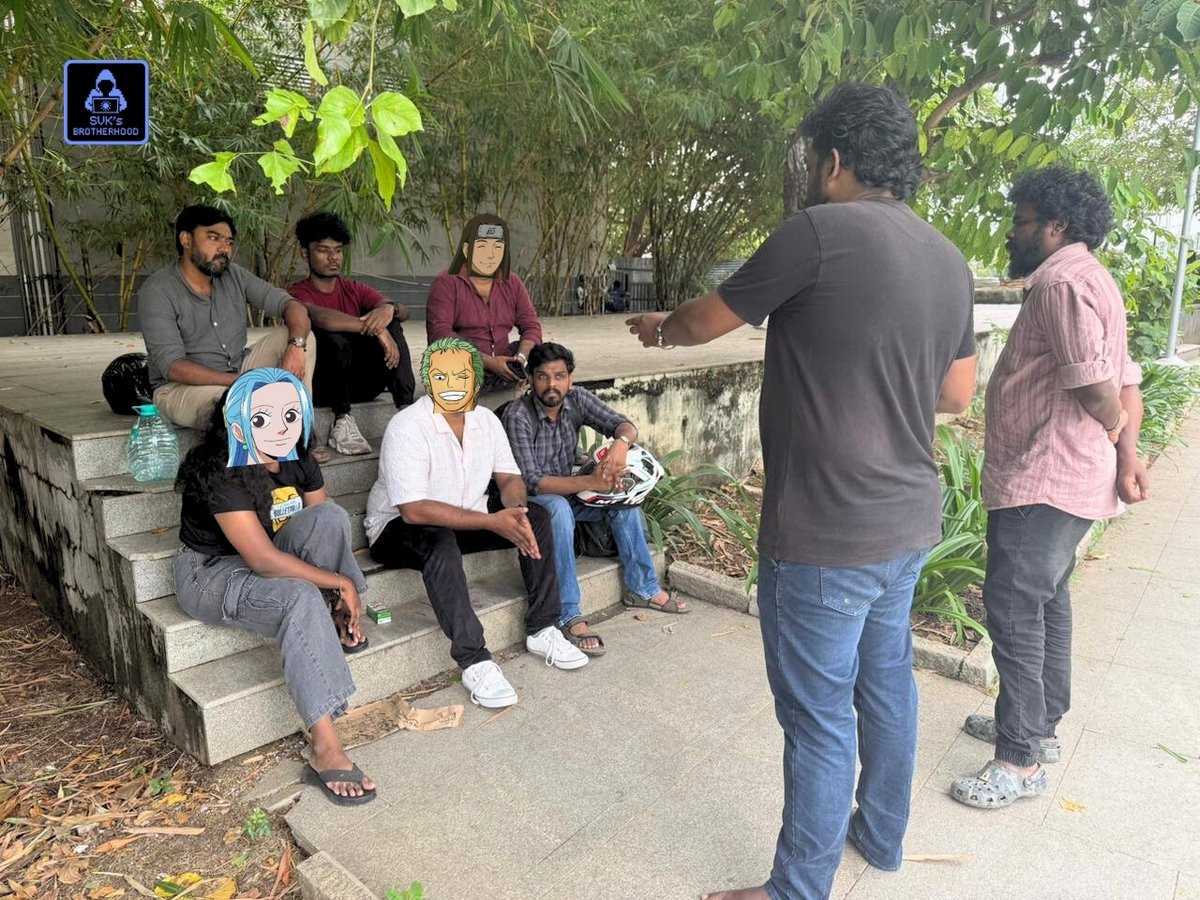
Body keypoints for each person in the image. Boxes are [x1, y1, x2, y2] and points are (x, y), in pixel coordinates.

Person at [628, 83, 978, 900]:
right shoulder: (947, 257)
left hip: (824, 531)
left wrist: (659, 328)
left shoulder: (817, 233)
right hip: (907, 523)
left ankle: (796, 891)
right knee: (886, 684)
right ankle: (880, 836)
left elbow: (705, 321)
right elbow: (957, 394)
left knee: (818, 718)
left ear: (834, 160)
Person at [950, 167, 1149, 810]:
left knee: (1013, 609)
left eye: (1023, 221)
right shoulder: (1095, 279)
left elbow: (1097, 385)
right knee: (1047, 603)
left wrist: (1115, 431)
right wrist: (1126, 453)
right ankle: (1041, 728)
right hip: (1066, 478)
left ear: (1056, 226)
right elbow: (1127, 378)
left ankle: (1019, 759)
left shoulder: (1062, 282)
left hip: (1044, 476)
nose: (1013, 232)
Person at [174, 368, 374, 805]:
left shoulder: (296, 454)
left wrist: (339, 589)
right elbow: (263, 561)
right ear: (238, 422)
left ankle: (336, 614)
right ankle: (324, 746)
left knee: (330, 517)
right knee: (299, 596)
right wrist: (339, 581)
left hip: (267, 549)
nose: (280, 427)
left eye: (290, 415)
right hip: (210, 572)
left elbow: (319, 521)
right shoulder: (222, 468)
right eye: (262, 418)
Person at [365, 336, 587, 709]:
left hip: (468, 515)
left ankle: (543, 627)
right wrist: (492, 522)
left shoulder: (485, 420)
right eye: (442, 376)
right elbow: (414, 510)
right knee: (439, 541)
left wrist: (514, 512)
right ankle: (474, 660)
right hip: (398, 527)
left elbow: (510, 478)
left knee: (537, 516)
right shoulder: (407, 426)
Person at [501, 341, 687, 655]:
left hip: (570, 491)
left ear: (570, 379)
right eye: (543, 376)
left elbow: (624, 425)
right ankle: (568, 613)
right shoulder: (518, 415)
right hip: (531, 503)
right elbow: (533, 482)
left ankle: (642, 588)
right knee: (558, 507)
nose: (552, 384)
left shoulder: (577, 399)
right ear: (530, 379)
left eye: (559, 376)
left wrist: (620, 444)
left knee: (622, 499)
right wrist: (590, 481)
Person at [139, 205, 316, 430]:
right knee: (248, 403)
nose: (224, 248)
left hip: (238, 370)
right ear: (186, 240)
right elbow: (174, 367)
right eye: (214, 238)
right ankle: (282, 435)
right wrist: (243, 381)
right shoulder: (158, 290)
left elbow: (292, 306)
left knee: (303, 338)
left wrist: (296, 346)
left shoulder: (234, 275)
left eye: (229, 242)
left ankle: (301, 432)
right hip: (181, 389)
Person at [289, 212, 416, 457]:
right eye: (323, 250)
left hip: (362, 383)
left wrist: (389, 309)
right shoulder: (297, 293)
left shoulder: (352, 288)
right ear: (305, 253)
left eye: (338, 250)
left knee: (391, 323)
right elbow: (322, 316)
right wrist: (375, 328)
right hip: (325, 386)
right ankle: (342, 421)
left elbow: (404, 311)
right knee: (331, 336)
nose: (333, 257)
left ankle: (407, 410)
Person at [424, 214, 542, 392]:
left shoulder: (511, 281)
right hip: (464, 365)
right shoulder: (446, 283)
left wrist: (521, 359)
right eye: (482, 247)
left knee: (545, 353)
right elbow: (439, 335)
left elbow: (531, 326)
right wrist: (490, 362)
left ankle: (511, 378)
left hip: (503, 359)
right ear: (466, 250)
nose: (491, 255)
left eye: (498, 248)